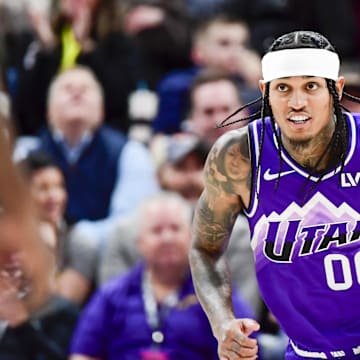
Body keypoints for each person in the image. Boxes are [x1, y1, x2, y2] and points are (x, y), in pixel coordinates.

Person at [189, 30, 360, 359]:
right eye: (284, 88)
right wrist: (222, 321)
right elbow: (204, 249)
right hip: (305, 352)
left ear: (336, 90)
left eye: (311, 86)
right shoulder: (239, 156)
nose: (297, 103)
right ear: (265, 92)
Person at [70, 192, 256, 360]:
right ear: (139, 242)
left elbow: (245, 351)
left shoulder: (218, 296)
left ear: (192, 237)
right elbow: (83, 354)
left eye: (175, 228)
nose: (167, 238)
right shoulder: (111, 296)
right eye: (157, 230)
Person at [17, 65, 159, 247]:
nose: (76, 94)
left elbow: (132, 222)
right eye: (67, 89)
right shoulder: (25, 153)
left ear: (101, 111)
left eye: (85, 89)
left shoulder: (130, 153)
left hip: (104, 260)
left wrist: (82, 237)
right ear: (48, 111)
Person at [18, 151, 97, 305]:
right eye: (43, 188)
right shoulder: (11, 238)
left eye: (59, 186)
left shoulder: (80, 240)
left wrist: (47, 250)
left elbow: (62, 306)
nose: (54, 196)